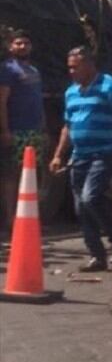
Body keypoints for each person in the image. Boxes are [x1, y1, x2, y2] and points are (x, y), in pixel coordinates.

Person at [49, 47, 112, 272]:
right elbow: (68, 126)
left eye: (75, 67)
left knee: (90, 198)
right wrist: (58, 155)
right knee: (81, 208)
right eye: (69, 67)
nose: (71, 71)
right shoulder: (71, 92)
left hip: (103, 153)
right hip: (79, 156)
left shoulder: (108, 84)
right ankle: (97, 255)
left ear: (89, 64)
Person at [0, 31, 46, 235]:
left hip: (34, 130)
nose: (22, 46)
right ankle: (11, 217)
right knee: (12, 174)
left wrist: (43, 126)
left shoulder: (34, 70)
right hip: (16, 129)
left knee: (30, 174)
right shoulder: (7, 69)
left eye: (26, 43)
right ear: (10, 46)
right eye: (18, 43)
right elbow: (2, 101)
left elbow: (38, 100)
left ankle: (28, 216)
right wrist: (5, 130)